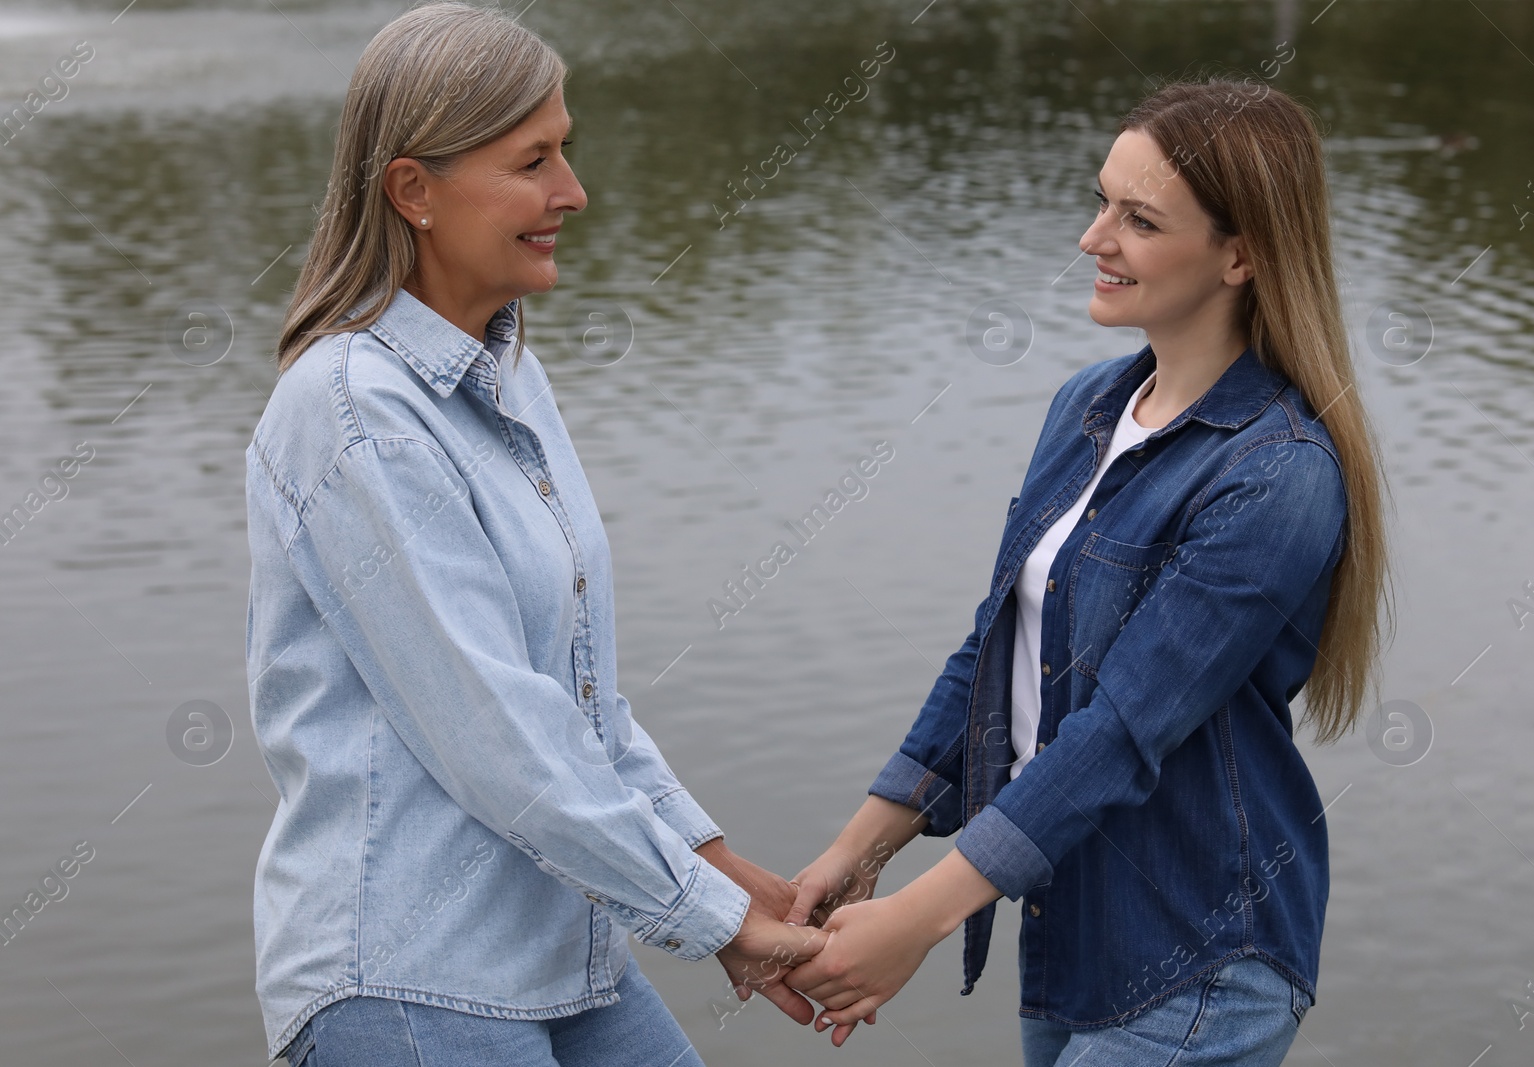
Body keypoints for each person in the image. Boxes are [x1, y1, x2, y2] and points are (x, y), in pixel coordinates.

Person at [244, 5, 817, 1065]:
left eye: (567, 151)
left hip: (563, 948)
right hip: (410, 973)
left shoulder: (506, 371)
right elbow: (495, 731)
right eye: (532, 161)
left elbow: (572, 697)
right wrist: (709, 917)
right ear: (413, 190)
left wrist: (715, 859)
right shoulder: (352, 408)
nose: (573, 192)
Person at [785, 76, 1392, 1066]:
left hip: (1199, 960)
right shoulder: (1086, 406)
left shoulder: (1277, 473)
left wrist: (915, 922)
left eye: (1137, 218)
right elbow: (995, 652)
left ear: (1240, 255)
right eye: (1101, 198)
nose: (1091, 237)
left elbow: (1118, 730)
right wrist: (853, 856)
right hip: (1070, 939)